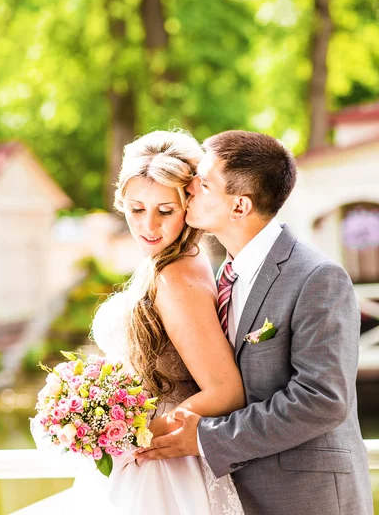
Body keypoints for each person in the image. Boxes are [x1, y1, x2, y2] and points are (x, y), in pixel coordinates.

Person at [136, 130, 373, 515]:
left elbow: (323, 399)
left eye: (204, 181)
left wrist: (208, 439)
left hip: (307, 496)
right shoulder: (218, 276)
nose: (189, 187)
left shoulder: (317, 277)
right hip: (237, 492)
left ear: (240, 206)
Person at [66, 130, 246, 514]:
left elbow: (226, 391)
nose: (148, 226)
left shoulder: (176, 276)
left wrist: (130, 436)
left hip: (160, 468)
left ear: (190, 204)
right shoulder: (166, 260)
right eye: (136, 209)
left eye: (165, 211)